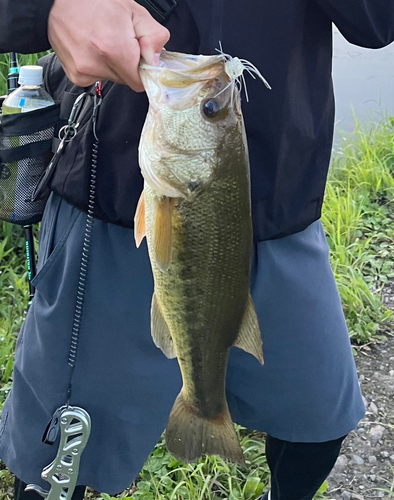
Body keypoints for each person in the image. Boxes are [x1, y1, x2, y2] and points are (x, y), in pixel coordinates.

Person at [0, 1, 393, 499]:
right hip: (112, 193)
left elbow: (376, 21)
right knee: (56, 463)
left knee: (318, 423)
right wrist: (48, 8)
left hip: (282, 200)